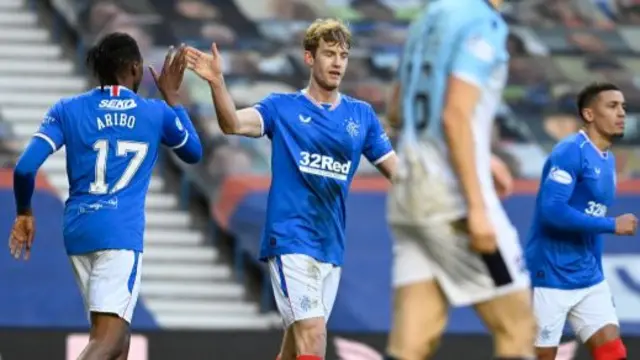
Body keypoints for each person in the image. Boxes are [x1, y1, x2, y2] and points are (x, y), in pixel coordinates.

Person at [185, 18, 397, 360]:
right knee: (314, 336)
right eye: (329, 53)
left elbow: (397, 173)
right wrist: (217, 82)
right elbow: (233, 123)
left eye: (343, 54)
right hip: (290, 238)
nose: (338, 62)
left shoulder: (362, 116)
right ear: (310, 58)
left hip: (330, 245)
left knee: (295, 345)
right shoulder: (280, 108)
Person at [8, 32, 202, 360]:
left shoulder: (68, 108)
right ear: (135, 68)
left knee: (117, 340)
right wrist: (172, 96)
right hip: (119, 234)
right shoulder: (155, 113)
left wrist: (24, 212)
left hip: (79, 231)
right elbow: (194, 152)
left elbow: (25, 167)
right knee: (109, 341)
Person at [384, 0, 537, 359]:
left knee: (412, 344)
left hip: (408, 191)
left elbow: (396, 108)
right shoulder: (484, 22)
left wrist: (481, 155)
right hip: (450, 200)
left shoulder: (430, 17)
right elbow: (455, 116)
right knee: (520, 329)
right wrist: (477, 208)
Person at [526, 82, 636, 360]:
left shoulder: (607, 159)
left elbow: (590, 214)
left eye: (623, 106)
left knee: (613, 352)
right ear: (589, 114)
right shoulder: (570, 151)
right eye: (612, 106)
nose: (621, 112)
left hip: (588, 278)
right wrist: (612, 225)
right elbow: (552, 212)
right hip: (550, 275)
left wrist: (596, 271)